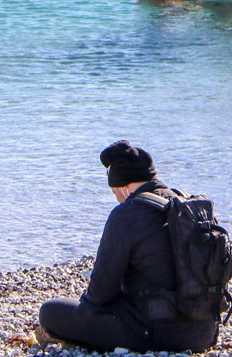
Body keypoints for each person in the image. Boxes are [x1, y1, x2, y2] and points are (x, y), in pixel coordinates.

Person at [36, 141, 219, 353]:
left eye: (115, 193)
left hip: (155, 334)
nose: (117, 200)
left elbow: (99, 295)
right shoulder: (193, 206)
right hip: (205, 332)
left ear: (123, 188)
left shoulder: (127, 214)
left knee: (50, 312)